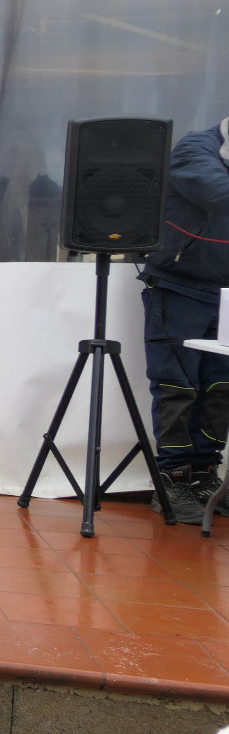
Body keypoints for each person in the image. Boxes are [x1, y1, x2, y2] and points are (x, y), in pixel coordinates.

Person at [139, 117, 229, 522]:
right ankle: (172, 478)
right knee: (177, 385)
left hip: (226, 294)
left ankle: (207, 474)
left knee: (221, 388)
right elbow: (216, 191)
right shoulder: (196, 149)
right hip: (179, 287)